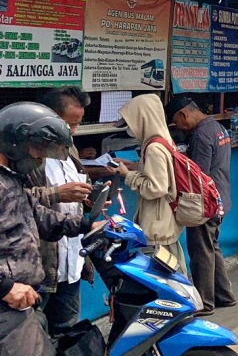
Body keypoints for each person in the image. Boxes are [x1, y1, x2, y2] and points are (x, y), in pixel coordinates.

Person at [0, 102, 98, 356]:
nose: (40, 159)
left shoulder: (11, 180)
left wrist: (88, 224)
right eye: (37, 150)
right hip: (7, 308)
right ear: (15, 142)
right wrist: (5, 287)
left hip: (26, 304)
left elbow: (41, 217)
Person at [26, 86, 94, 335]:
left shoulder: (70, 151)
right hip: (41, 266)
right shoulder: (26, 156)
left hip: (71, 262)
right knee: (34, 337)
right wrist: (58, 194)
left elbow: (73, 201)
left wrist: (89, 198)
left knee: (67, 333)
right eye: (68, 125)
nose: (72, 132)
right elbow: (17, 201)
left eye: (76, 125)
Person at [164, 95, 236, 316]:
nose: (179, 127)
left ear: (185, 114)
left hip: (206, 202)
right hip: (221, 196)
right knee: (212, 247)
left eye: (177, 122)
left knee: (201, 251)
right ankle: (224, 294)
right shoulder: (217, 127)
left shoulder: (201, 136)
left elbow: (198, 176)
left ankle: (205, 302)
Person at [110, 94, 187, 274]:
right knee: (175, 273)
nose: (131, 129)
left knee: (167, 277)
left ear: (143, 120)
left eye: (131, 123)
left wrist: (127, 175)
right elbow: (159, 173)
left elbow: (156, 188)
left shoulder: (153, 148)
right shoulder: (163, 141)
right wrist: (135, 166)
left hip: (157, 225)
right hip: (164, 223)